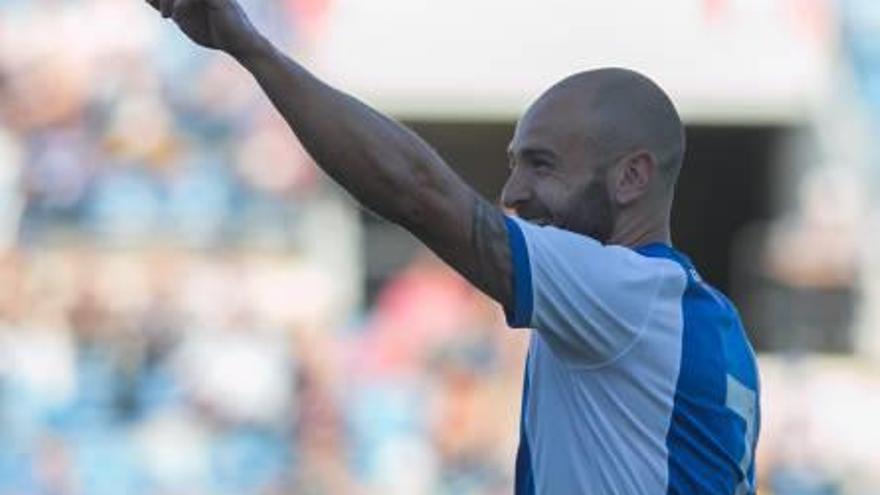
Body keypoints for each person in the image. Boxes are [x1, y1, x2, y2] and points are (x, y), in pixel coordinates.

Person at [143, 0, 761, 493]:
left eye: (541, 166)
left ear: (631, 178)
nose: (513, 192)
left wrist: (253, 49)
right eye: (513, 165)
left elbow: (418, 194)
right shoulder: (712, 323)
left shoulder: (626, 295)